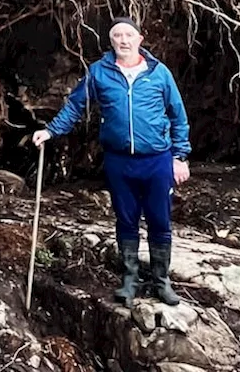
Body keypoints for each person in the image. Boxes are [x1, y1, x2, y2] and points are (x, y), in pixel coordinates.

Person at [32, 17, 191, 307]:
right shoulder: (99, 73)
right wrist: (50, 130)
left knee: (159, 220)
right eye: (117, 35)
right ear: (112, 41)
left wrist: (179, 157)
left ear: (140, 39)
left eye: (129, 35)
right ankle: (130, 279)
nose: (123, 40)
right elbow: (76, 106)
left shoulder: (159, 73)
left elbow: (178, 115)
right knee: (126, 219)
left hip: (157, 159)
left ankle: (161, 281)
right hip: (119, 161)